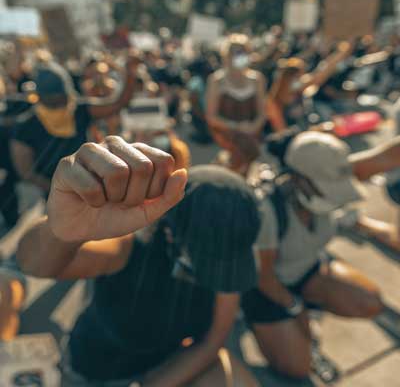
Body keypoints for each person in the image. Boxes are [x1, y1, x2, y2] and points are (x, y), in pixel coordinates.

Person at [16, 136, 261, 387]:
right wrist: (63, 231)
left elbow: (212, 341)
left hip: (161, 368)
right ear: (170, 233)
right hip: (94, 373)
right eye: (210, 257)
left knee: (224, 375)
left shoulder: (233, 259)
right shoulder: (130, 249)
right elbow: (36, 264)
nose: (220, 271)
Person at [242, 131, 385, 379]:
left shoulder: (317, 200)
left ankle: (306, 312)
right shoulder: (268, 209)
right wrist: (297, 310)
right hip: (267, 289)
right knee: (297, 368)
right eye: (327, 189)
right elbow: (265, 279)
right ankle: (256, 321)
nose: (334, 198)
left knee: (370, 303)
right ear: (298, 178)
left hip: (308, 269)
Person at [10, 53, 139, 195]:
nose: (58, 103)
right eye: (52, 100)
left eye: (61, 98)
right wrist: (61, 188)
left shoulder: (78, 109)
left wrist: (130, 73)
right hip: (57, 195)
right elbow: (26, 172)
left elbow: (118, 104)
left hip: (92, 186)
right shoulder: (25, 126)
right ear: (39, 97)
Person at [206, 34, 266, 175]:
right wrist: (236, 128)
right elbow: (211, 116)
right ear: (226, 56)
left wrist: (252, 128)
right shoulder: (217, 80)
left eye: (242, 53)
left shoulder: (257, 79)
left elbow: (262, 113)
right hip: (226, 134)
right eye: (234, 53)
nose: (238, 57)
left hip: (251, 134)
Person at [266, 41, 354, 132]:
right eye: (300, 75)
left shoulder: (286, 92)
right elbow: (320, 74)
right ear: (292, 76)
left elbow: (321, 73)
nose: (303, 77)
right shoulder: (287, 92)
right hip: (294, 136)